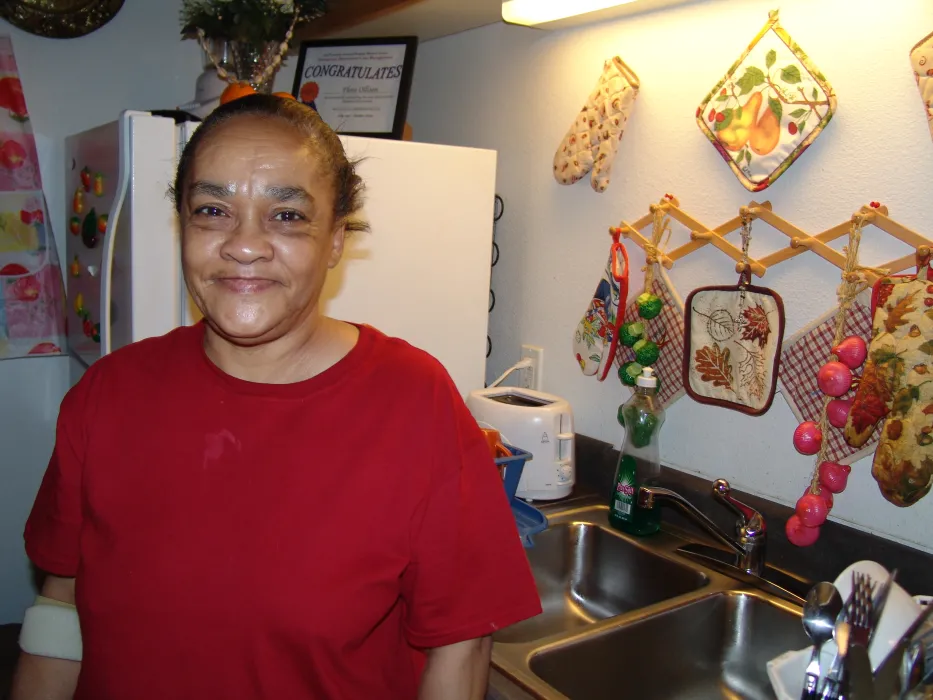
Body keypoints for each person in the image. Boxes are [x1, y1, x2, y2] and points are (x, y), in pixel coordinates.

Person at [11, 94, 541, 700]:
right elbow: (60, 605)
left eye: (286, 217)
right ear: (183, 226)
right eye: (212, 210)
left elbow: (460, 643)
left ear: (336, 240)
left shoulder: (414, 403)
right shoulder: (107, 393)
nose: (245, 244)